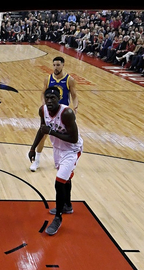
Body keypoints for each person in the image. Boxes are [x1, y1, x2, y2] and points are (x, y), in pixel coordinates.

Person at [29, 86, 83, 236]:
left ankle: (58, 218)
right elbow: (42, 129)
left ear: (59, 99)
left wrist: (52, 132)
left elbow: (74, 138)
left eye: (53, 98)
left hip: (72, 150)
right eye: (47, 98)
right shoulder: (43, 110)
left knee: (59, 182)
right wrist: (33, 148)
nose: (49, 101)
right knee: (65, 178)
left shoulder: (67, 113)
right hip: (58, 149)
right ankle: (67, 205)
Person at [30, 56, 78, 172]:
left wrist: (75, 108)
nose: (56, 67)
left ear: (63, 65)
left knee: (66, 138)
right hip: (51, 112)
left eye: (58, 65)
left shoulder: (69, 80)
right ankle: (36, 160)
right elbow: (43, 93)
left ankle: (67, 160)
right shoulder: (48, 79)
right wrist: (44, 105)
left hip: (63, 114)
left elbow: (74, 95)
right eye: (54, 65)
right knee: (43, 134)